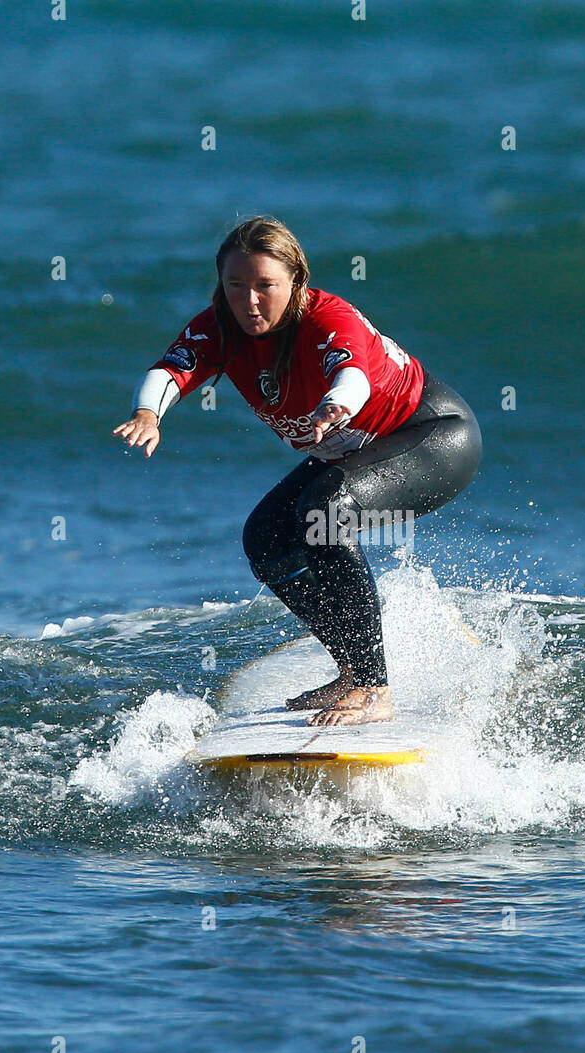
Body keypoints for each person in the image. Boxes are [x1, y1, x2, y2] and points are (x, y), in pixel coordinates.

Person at [112, 216, 481, 725]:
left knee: (326, 512)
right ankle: (355, 669)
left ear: (296, 282)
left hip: (434, 437)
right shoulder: (220, 327)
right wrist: (148, 414)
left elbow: (350, 373)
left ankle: (374, 688)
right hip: (357, 450)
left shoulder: (329, 318)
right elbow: (170, 369)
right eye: (236, 286)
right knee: (266, 538)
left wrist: (337, 405)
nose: (250, 301)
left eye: (266, 286)